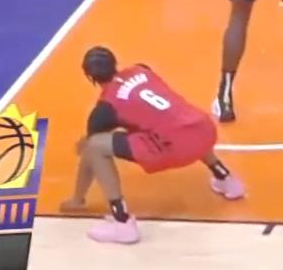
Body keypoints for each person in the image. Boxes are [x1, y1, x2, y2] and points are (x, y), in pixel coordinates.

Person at [61, 48, 247, 246]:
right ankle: (226, 179)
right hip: (204, 130)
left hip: (175, 147)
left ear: (90, 77)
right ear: (115, 63)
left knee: (95, 146)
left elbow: (90, 152)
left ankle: (122, 222)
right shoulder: (141, 69)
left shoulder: (104, 110)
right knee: (177, 121)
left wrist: (77, 199)